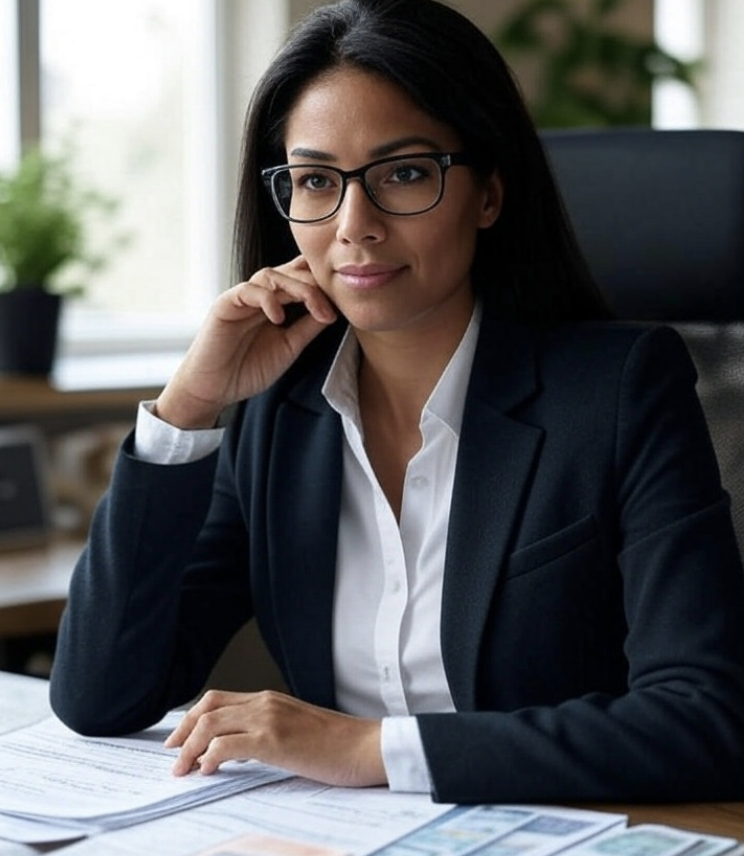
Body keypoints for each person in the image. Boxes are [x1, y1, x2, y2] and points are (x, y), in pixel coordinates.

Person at [50, 0, 744, 805]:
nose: (355, 225)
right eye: (315, 181)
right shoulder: (281, 414)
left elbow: (704, 722)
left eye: (404, 174)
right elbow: (99, 695)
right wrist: (189, 405)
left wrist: (370, 747)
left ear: (487, 194)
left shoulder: (620, 391)